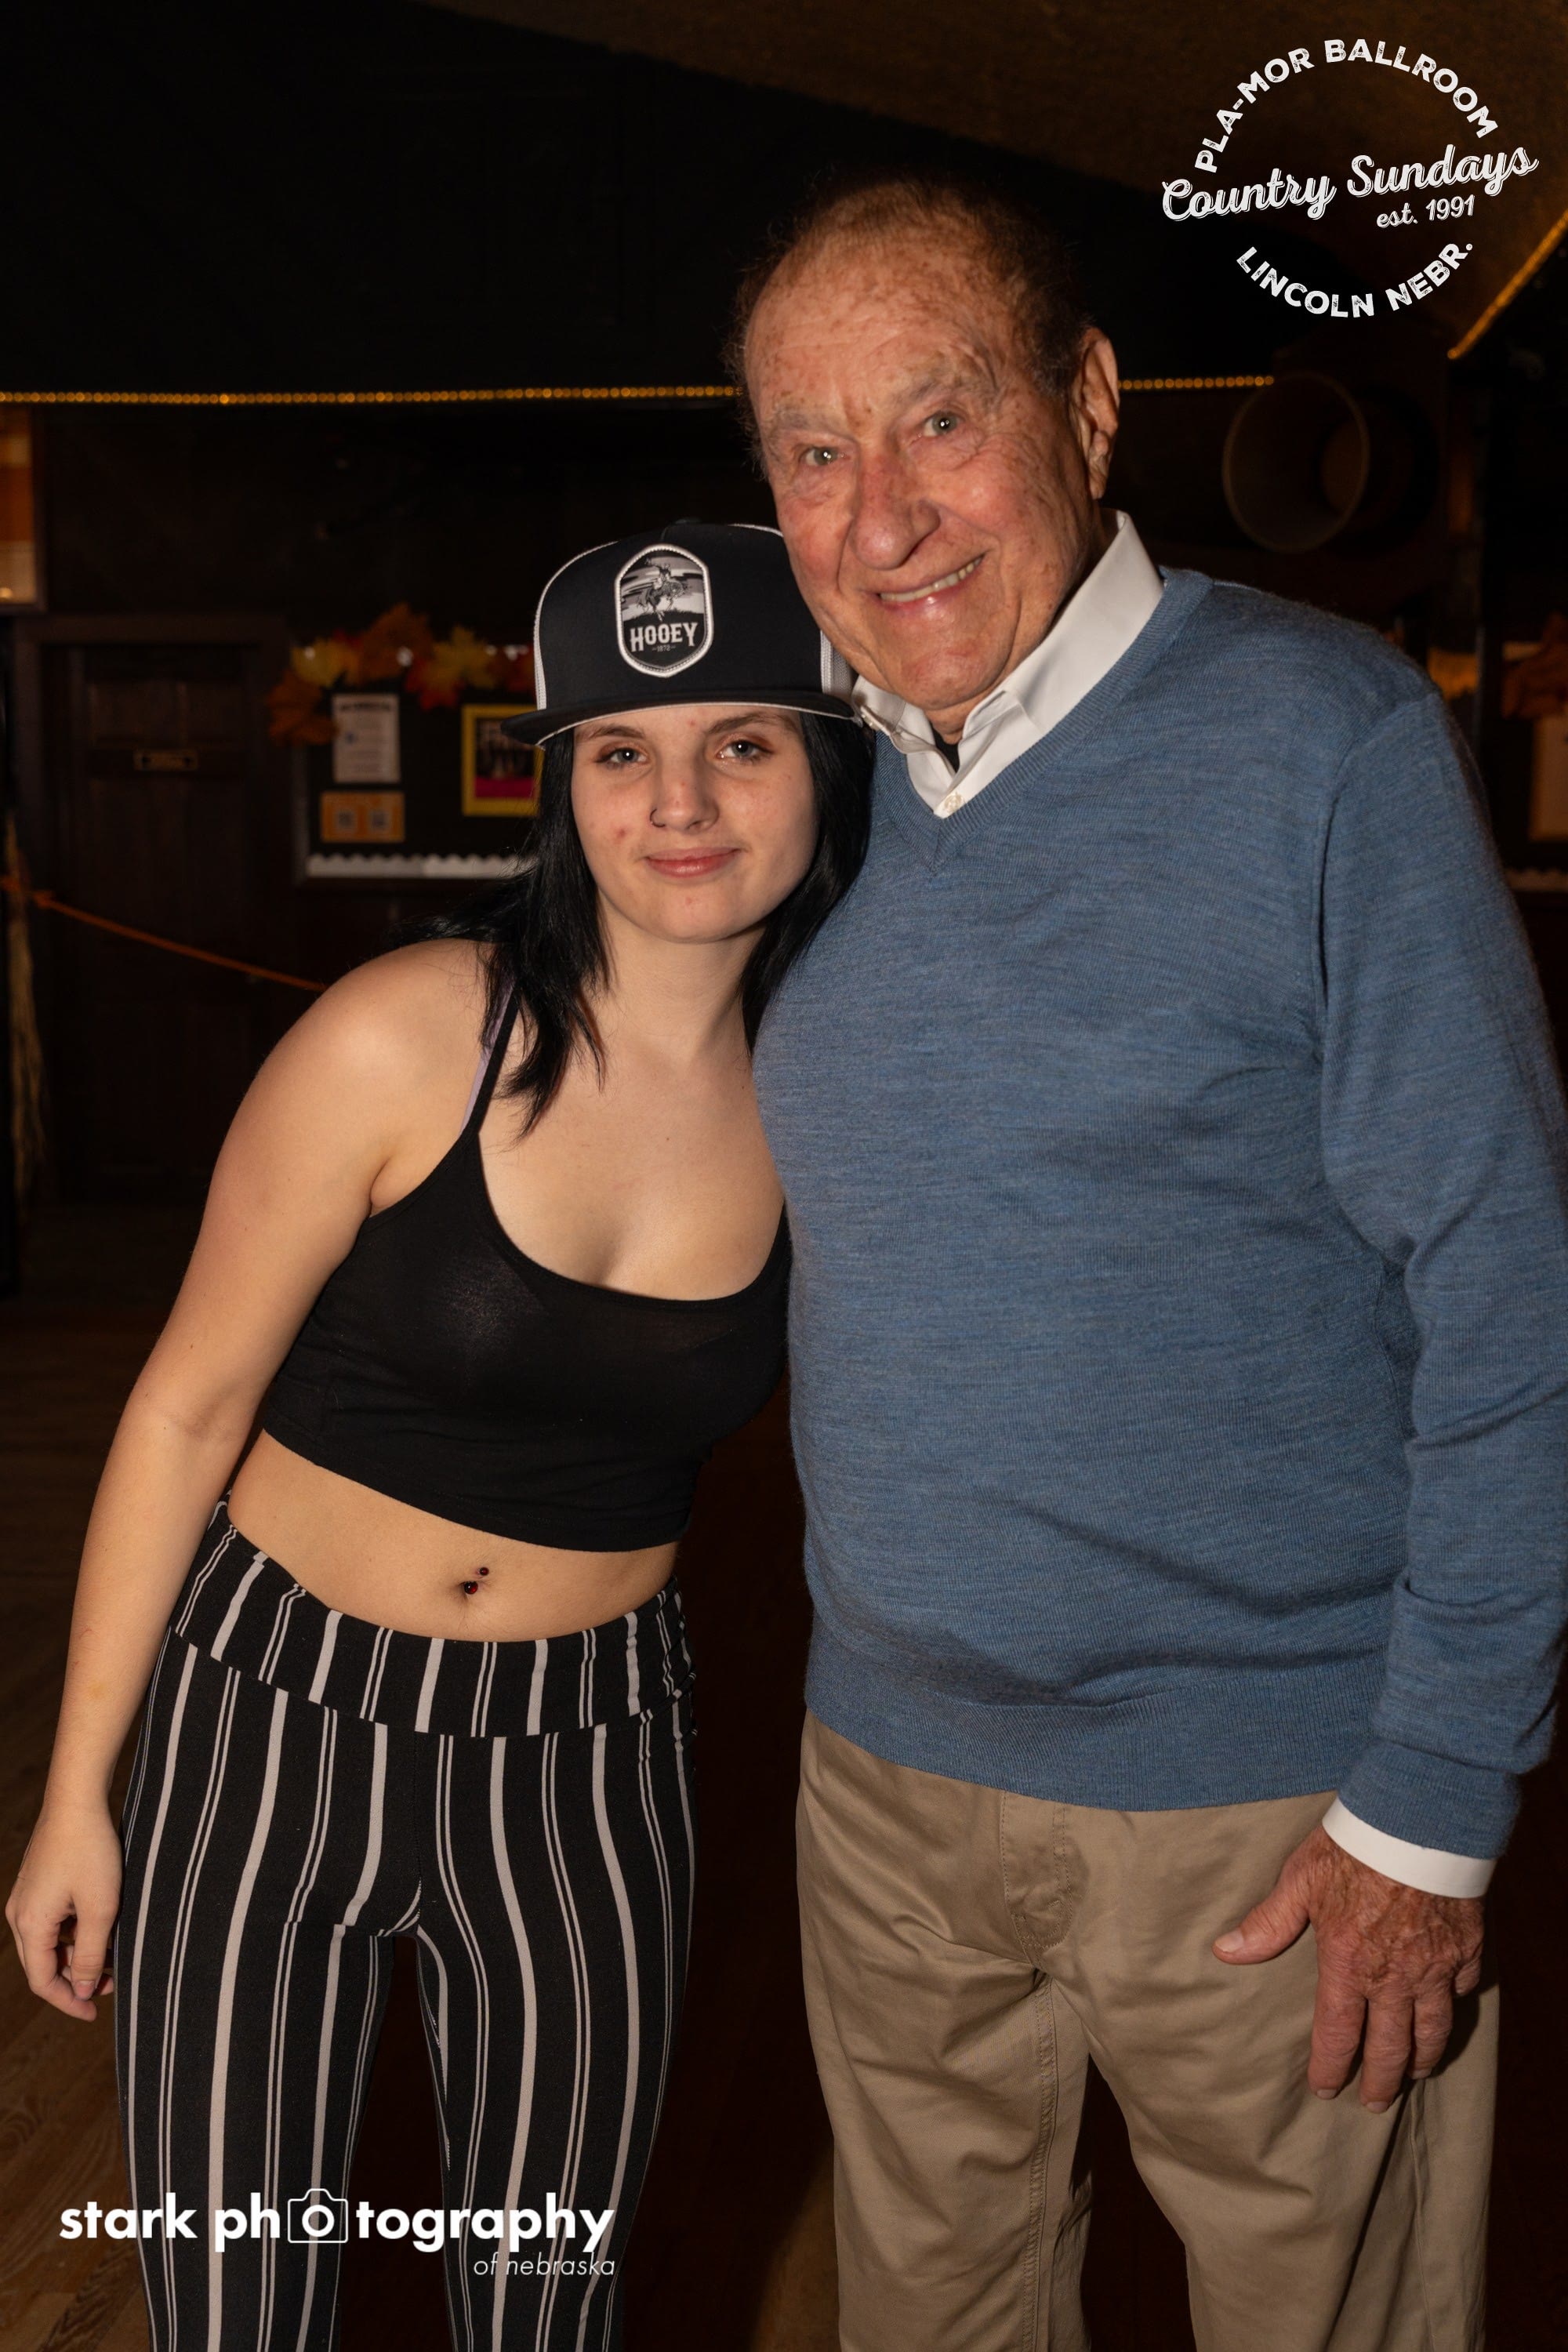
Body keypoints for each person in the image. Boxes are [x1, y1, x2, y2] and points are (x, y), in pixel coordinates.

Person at [732, 169, 1568, 2351]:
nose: (881, 518)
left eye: (939, 419)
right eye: (811, 451)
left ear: (1089, 404)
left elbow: (1509, 1295)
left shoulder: (1325, 742)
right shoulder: (782, 789)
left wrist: (1430, 1811)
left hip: (1273, 1813)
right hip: (885, 1796)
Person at [4, 521, 871, 2352]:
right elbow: (184, 1409)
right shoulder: (405, 1035)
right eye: (621, 749)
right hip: (274, 1721)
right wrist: (79, 1793)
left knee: (548, 2305)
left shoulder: (844, 1101)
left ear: (825, 762)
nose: (680, 802)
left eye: (741, 741)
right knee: (237, 2306)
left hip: (587, 1756)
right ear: (564, 784)